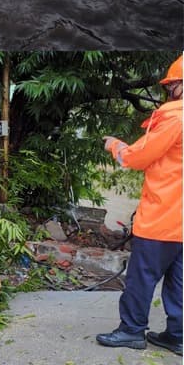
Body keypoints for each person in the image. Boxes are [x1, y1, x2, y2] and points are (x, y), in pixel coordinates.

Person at [96, 54, 183, 355]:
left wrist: (115, 146)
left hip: (162, 218)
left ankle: (131, 331)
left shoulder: (176, 116)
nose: (169, 92)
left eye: (172, 86)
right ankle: (178, 335)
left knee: (141, 277)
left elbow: (137, 157)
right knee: (178, 282)